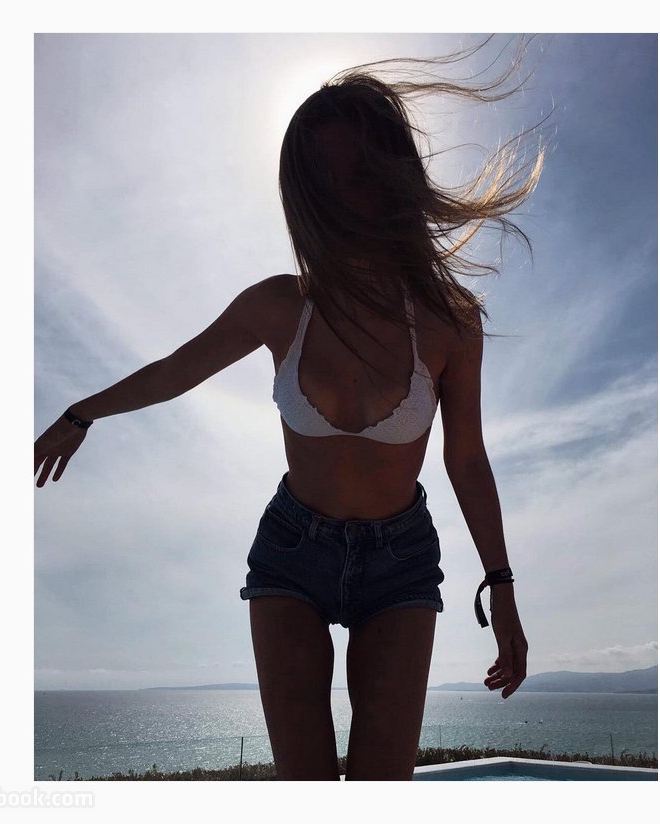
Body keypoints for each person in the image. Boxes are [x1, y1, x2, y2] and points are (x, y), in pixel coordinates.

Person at [35, 39, 542, 781]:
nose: (345, 198)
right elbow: (175, 372)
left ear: (393, 176)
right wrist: (80, 413)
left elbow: (466, 459)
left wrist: (501, 589)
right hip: (292, 552)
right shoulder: (280, 306)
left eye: (359, 174)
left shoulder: (449, 321)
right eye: (324, 181)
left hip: (400, 562)